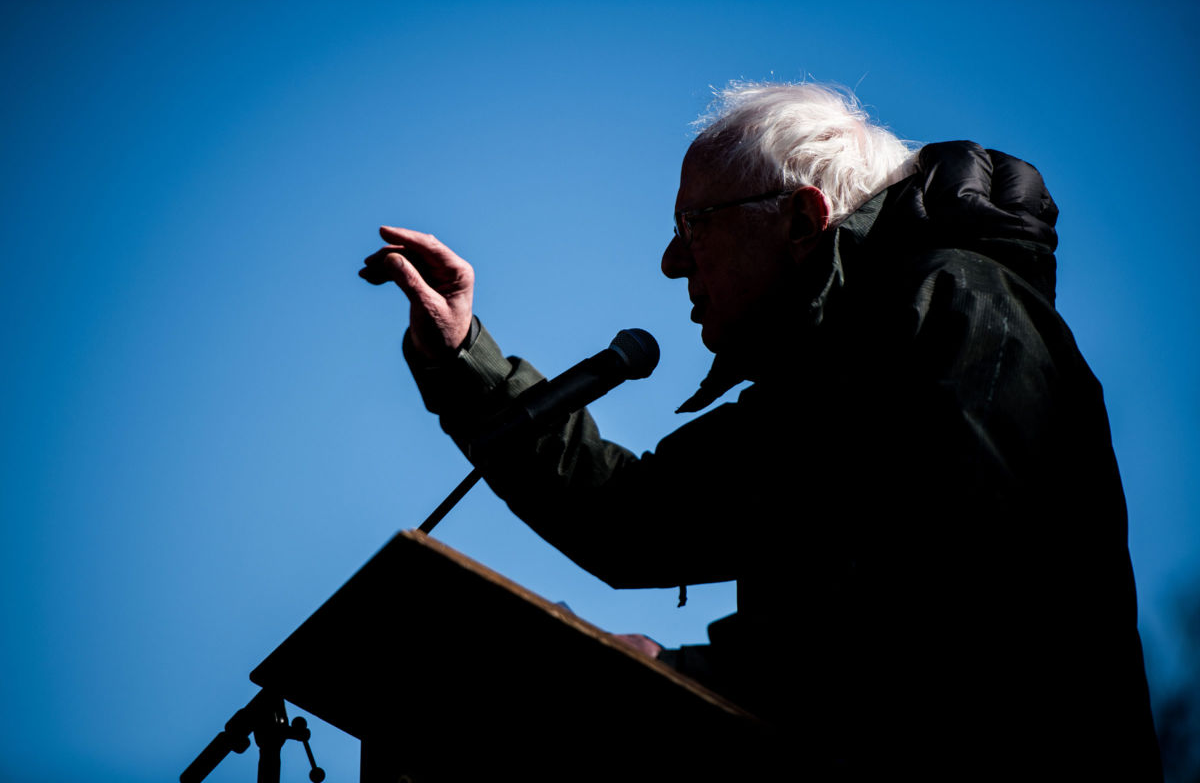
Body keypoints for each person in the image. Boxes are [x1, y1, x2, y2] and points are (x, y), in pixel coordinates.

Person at [359, 82, 1161, 779]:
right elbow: (633, 520)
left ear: (804, 221)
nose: (673, 263)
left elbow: (957, 589)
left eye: (695, 225)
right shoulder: (820, 375)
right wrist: (462, 355)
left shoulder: (961, 307)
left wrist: (697, 679)